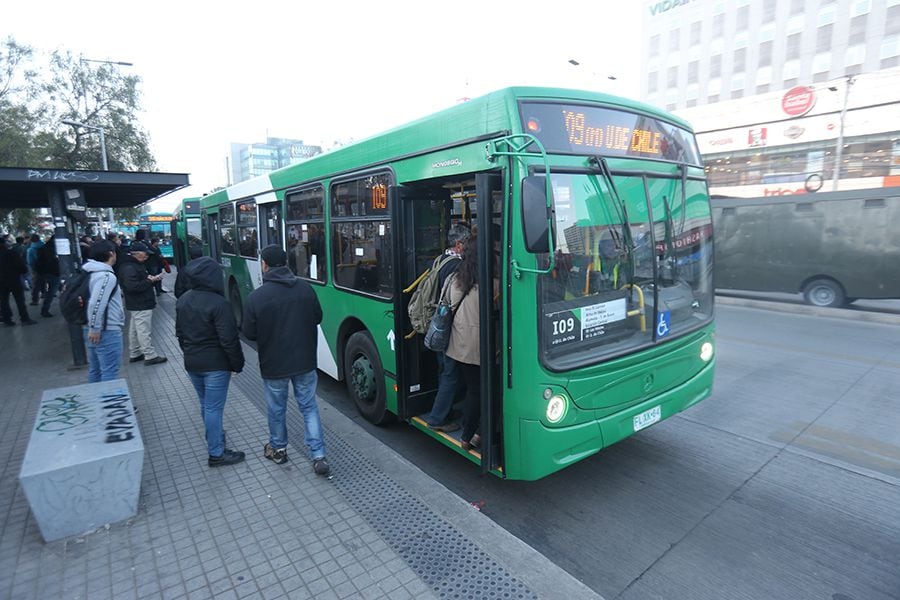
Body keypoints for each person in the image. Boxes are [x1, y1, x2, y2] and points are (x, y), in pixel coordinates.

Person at [242, 245, 330, 475]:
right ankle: (318, 456)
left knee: (276, 409)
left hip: (274, 363)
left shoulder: (257, 296)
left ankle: (279, 450)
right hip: (305, 360)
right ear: (286, 263)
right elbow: (317, 317)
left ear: (264, 265)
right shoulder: (305, 288)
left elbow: (249, 333)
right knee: (309, 407)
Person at [176, 257, 246, 467]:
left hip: (192, 362)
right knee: (214, 408)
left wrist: (189, 352)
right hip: (215, 364)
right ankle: (216, 452)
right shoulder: (219, 303)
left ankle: (215, 440)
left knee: (205, 404)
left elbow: (179, 334)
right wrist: (237, 364)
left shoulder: (184, 299)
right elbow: (229, 339)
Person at [422, 223, 471, 431]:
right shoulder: (457, 266)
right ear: (459, 244)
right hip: (450, 328)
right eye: (467, 243)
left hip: (439, 325)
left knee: (445, 371)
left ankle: (447, 410)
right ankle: (436, 419)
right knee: (451, 375)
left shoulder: (441, 259)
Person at [445, 235, 490, 451]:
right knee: (488, 392)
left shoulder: (457, 278)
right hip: (484, 347)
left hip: (460, 345)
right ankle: (476, 434)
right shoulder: (495, 281)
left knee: (474, 390)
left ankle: (468, 435)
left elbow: (448, 304)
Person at [82, 240, 125, 382]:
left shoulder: (89, 272)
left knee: (95, 370)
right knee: (109, 371)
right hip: (106, 330)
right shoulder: (106, 276)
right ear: (111, 254)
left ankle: (97, 401)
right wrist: (95, 327)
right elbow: (96, 302)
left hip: (94, 329)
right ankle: (109, 402)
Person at [119, 241, 167, 365]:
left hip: (136, 302)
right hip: (141, 302)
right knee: (143, 329)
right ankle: (149, 355)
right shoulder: (131, 267)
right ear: (138, 254)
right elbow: (133, 286)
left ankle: (135, 352)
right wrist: (149, 281)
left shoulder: (130, 265)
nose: (147, 257)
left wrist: (151, 280)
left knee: (135, 328)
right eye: (145, 254)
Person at [0, 237, 37, 326]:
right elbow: (21, 266)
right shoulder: (11, 253)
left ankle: (7, 320)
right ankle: (24, 318)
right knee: (20, 300)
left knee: (4, 300)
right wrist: (22, 271)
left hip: (1, 281)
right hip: (13, 279)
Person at [34, 234, 60, 318]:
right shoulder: (54, 249)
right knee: (52, 291)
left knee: (52, 291)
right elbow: (52, 261)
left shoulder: (43, 248)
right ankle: (45, 309)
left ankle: (45, 309)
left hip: (46, 272)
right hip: (54, 272)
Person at [26, 233, 44, 306]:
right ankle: (44, 293)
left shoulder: (31, 250)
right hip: (45, 267)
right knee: (43, 281)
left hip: (36, 269)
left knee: (35, 285)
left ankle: (35, 300)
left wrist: (33, 269)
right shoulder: (44, 246)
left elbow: (30, 262)